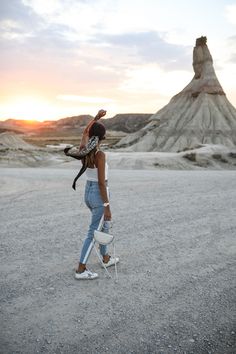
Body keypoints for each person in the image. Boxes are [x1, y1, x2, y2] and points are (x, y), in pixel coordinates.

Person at [66, 116, 119, 280]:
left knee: (104, 226)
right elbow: (102, 184)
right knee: (93, 232)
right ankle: (81, 269)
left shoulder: (84, 151)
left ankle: (106, 258)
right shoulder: (100, 155)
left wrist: (95, 118)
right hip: (99, 194)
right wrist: (107, 206)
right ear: (102, 137)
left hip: (88, 193)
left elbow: (85, 132)